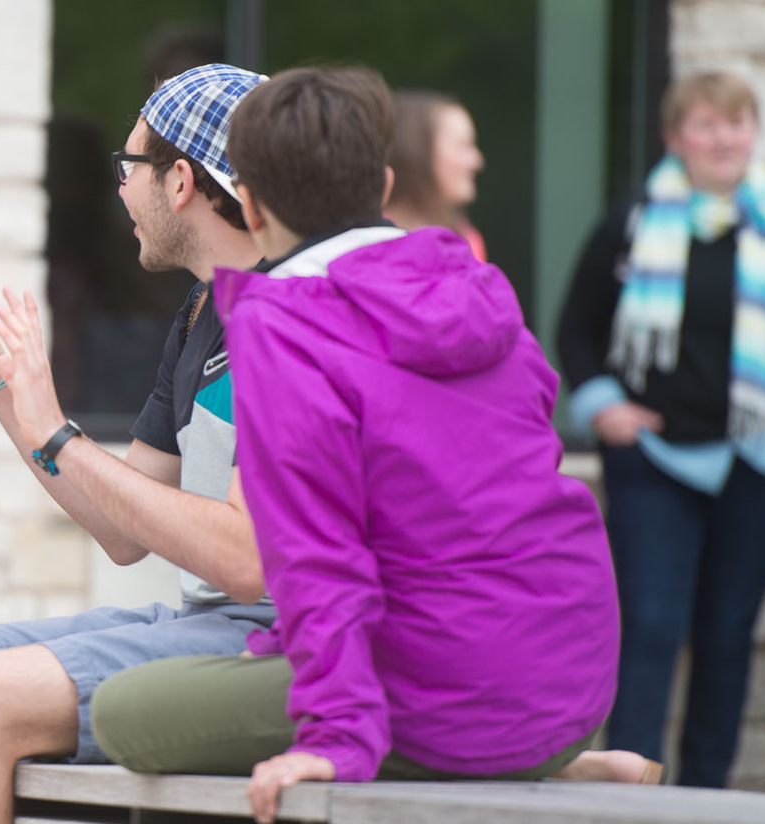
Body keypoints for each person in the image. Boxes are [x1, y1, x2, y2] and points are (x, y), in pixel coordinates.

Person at [85, 66, 656, 824]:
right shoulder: (481, 292)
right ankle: (556, 764)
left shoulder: (285, 327)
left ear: (249, 206)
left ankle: (476, 755)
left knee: (125, 712)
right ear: (382, 183)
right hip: (574, 682)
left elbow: (320, 556)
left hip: (451, 693)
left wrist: (340, 736)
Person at [0, 64, 272, 824]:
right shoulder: (201, 313)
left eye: (129, 167)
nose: (119, 190)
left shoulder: (292, 318)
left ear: (182, 181)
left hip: (271, 642)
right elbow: (125, 534)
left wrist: (55, 429)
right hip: (201, 623)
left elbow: (246, 561)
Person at [556, 70, 765, 788]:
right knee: (649, 626)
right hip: (655, 462)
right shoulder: (631, 224)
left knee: (727, 633)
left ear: (752, 135)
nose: (722, 139)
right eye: (705, 125)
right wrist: (605, 406)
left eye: (735, 124)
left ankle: (707, 794)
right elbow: (577, 333)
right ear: (676, 137)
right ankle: (632, 789)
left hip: (763, 462)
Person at [384, 90, 488, 261]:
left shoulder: (467, 240)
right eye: (462, 145)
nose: (477, 162)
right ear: (417, 152)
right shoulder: (369, 241)